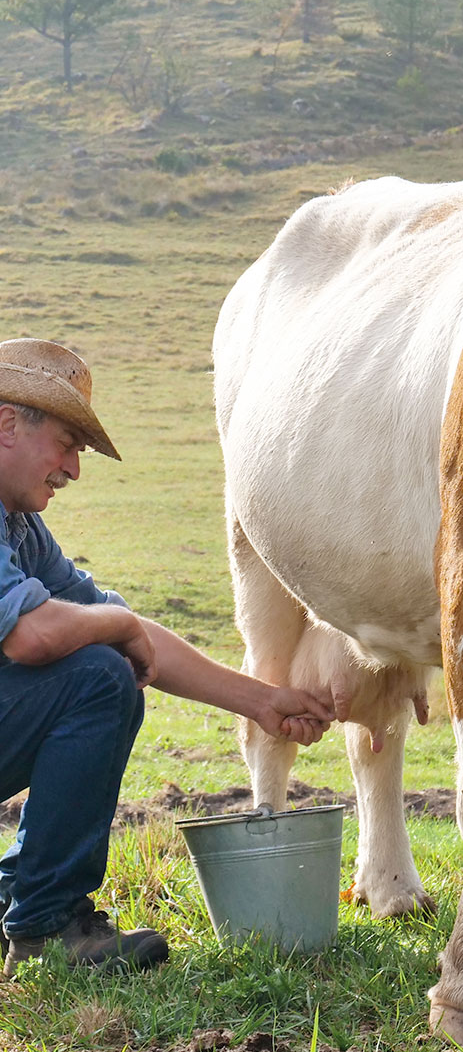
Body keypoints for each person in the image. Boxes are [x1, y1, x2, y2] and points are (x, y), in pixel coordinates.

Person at [0, 337, 335, 978]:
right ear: (10, 423)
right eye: (68, 443)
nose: (73, 469)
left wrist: (263, 701)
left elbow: (132, 636)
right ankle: (45, 924)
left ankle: (18, 893)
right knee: (98, 675)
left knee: (107, 663)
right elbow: (35, 637)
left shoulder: (19, 525)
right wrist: (117, 625)